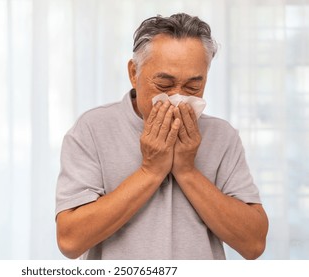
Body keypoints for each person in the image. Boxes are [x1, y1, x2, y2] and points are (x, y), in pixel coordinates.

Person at [55, 13, 269, 260]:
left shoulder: (223, 136)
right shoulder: (92, 129)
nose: (177, 98)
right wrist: (151, 171)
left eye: (192, 87)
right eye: (164, 85)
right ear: (134, 73)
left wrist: (187, 171)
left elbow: (254, 243)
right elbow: (70, 240)